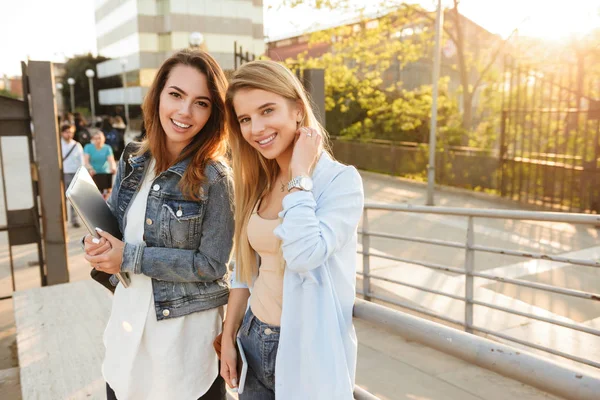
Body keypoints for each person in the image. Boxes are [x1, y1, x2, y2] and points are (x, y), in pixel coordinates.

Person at [82, 49, 233, 400]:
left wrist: (130, 258)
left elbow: (212, 265)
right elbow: (116, 231)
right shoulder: (134, 158)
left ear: (213, 114)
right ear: (158, 95)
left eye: (201, 103)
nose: (184, 112)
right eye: (176, 95)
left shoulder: (216, 178)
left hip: (184, 350)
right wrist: (97, 247)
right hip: (127, 335)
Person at [219, 60, 364, 399]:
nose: (256, 128)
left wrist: (300, 173)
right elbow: (244, 266)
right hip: (253, 341)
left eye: (267, 110)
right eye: (245, 119)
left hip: (305, 352)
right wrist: (229, 335)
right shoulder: (259, 181)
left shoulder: (340, 182)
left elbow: (303, 254)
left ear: (298, 110)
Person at [60, 123, 84, 228]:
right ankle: (61, 219)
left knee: (73, 198)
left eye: (71, 132)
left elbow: (81, 160)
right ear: (62, 133)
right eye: (67, 132)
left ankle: (74, 220)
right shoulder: (58, 144)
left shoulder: (76, 145)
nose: (69, 134)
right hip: (62, 173)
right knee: (61, 198)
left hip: (74, 173)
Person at [84, 130, 117, 198]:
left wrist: (113, 168)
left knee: (106, 194)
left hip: (105, 173)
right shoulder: (88, 147)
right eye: (95, 138)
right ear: (93, 139)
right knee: (94, 195)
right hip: (93, 173)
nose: (98, 140)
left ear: (103, 139)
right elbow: (86, 161)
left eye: (99, 138)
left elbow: (111, 160)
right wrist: (90, 169)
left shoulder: (107, 148)